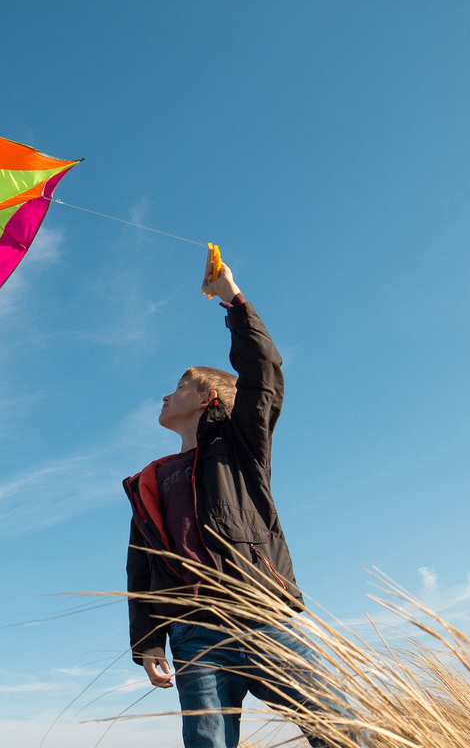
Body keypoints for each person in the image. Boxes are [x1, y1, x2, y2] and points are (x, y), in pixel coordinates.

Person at [123, 258, 334, 748]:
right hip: (195, 637)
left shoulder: (241, 448)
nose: (166, 394)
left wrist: (232, 299)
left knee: (336, 725)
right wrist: (148, 638)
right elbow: (141, 568)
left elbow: (264, 372)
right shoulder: (148, 482)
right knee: (209, 743)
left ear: (208, 399)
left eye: (179, 386)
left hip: (262, 614)